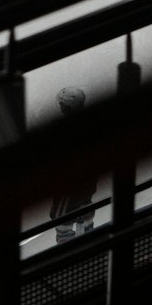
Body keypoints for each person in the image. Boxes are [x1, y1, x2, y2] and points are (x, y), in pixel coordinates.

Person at [49, 87, 98, 241]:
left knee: (62, 223)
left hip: (70, 189)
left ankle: (68, 252)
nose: (60, 106)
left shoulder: (64, 132)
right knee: (86, 212)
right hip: (88, 185)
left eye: (62, 103)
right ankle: (87, 245)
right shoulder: (91, 124)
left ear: (67, 106)